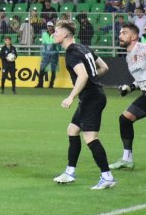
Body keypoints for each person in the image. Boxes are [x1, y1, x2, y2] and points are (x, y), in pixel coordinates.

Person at [51, 20, 116, 189]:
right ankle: (69, 172)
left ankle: (107, 176)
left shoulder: (72, 53)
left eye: (57, 32)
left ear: (65, 34)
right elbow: (104, 67)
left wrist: (71, 97)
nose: (54, 35)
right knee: (72, 130)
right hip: (92, 96)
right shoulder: (83, 47)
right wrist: (93, 79)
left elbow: (83, 76)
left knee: (90, 138)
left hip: (92, 98)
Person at [108, 22, 146, 170]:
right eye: (120, 33)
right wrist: (129, 88)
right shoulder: (128, 57)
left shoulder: (143, 48)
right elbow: (141, 79)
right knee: (125, 119)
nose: (120, 35)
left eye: (124, 33)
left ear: (134, 36)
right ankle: (127, 159)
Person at [37, 21, 60, 88]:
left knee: (53, 70)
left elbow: (58, 43)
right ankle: (40, 84)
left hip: (54, 53)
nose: (49, 27)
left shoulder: (56, 34)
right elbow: (44, 44)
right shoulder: (44, 34)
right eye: (48, 26)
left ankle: (51, 84)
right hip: (46, 53)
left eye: (50, 26)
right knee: (42, 68)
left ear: (53, 26)